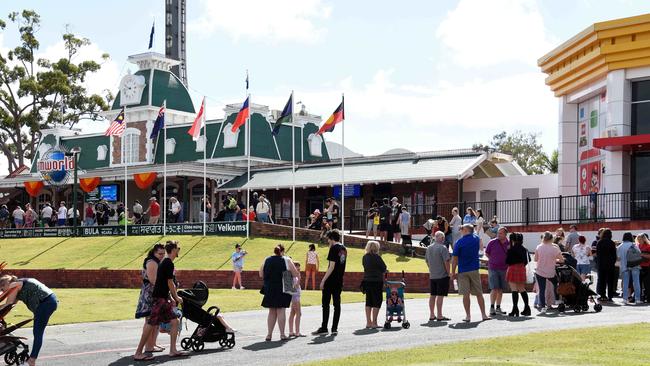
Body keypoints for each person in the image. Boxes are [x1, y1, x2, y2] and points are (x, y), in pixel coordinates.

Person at [134, 241, 186, 360]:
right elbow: (169, 282)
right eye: (177, 248)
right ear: (173, 250)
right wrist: (175, 297)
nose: (179, 250)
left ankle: (172, 350)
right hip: (159, 299)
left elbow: (165, 282)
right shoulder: (168, 263)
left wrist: (170, 297)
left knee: (174, 321)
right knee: (151, 323)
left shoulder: (166, 262)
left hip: (161, 298)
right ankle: (138, 353)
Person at [0, 275, 57, 366]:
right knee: (38, 332)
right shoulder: (17, 285)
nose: (3, 292)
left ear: (6, 284)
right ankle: (32, 359)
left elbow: (8, 303)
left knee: (38, 332)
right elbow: (10, 305)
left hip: (45, 303)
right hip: (48, 302)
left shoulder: (13, 285)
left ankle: (32, 360)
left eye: (2, 289)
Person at [260, 244, 300, 341]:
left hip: (270, 288)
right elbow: (295, 274)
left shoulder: (267, 259)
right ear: (282, 251)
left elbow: (261, 274)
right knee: (281, 310)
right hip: (283, 287)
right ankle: (282, 334)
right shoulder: (287, 259)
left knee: (272, 311)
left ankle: (269, 335)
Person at [451, 224, 490, 322]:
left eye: (462, 229)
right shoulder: (476, 238)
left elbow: (455, 258)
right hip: (474, 269)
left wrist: (453, 272)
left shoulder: (459, 242)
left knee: (466, 294)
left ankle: (468, 316)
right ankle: (484, 315)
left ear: (466, 230)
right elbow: (481, 247)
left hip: (463, 270)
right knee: (479, 293)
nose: (460, 230)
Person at [313, 230, 347, 335]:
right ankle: (334, 328)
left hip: (330, 280)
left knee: (326, 304)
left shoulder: (333, 248)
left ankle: (324, 327)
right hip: (339, 280)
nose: (327, 241)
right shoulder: (344, 249)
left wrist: (323, 280)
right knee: (337, 305)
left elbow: (331, 266)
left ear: (332, 239)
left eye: (328, 239)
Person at [134, 244, 166, 357]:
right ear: (154, 252)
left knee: (155, 321)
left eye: (163, 253)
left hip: (155, 293)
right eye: (160, 254)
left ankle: (152, 345)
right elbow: (153, 280)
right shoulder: (152, 262)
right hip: (150, 294)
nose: (162, 256)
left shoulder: (157, 261)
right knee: (150, 320)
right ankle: (148, 346)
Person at [534, 231, 564, 313]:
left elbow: (535, 259)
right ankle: (557, 299)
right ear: (552, 238)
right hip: (550, 271)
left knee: (542, 289)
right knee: (556, 284)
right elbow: (561, 260)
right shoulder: (555, 248)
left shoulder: (539, 247)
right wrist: (555, 259)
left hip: (540, 271)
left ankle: (543, 307)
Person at [425, 231, 451, 321]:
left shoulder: (429, 248)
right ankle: (439, 315)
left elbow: (427, 261)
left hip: (433, 275)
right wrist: (449, 273)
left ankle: (432, 315)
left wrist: (431, 269)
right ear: (442, 238)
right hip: (442, 275)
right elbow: (446, 262)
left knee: (433, 295)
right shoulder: (443, 248)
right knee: (440, 295)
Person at [361, 240, 387, 328]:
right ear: (376, 248)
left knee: (368, 301)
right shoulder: (377, 257)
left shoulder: (365, 257)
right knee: (377, 301)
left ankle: (368, 322)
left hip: (367, 281)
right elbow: (384, 268)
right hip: (376, 281)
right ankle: (374, 323)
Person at [485, 227, 509, 316]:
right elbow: (487, 253)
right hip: (493, 268)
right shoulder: (492, 242)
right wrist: (492, 260)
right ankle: (492, 307)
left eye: (501, 233)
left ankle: (498, 307)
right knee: (494, 288)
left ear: (505, 234)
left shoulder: (509, 243)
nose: (498, 235)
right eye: (498, 233)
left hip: (504, 268)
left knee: (500, 289)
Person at [505, 232, 531, 317]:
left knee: (514, 289)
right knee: (522, 288)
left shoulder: (511, 249)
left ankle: (515, 309)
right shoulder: (524, 249)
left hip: (513, 268)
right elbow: (528, 260)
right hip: (521, 268)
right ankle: (527, 308)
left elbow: (507, 261)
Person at [617, 232, 642, 305]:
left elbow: (618, 258)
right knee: (636, 282)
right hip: (634, 266)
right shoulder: (634, 245)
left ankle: (625, 299)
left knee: (625, 283)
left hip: (624, 266)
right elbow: (639, 254)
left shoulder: (620, 246)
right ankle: (637, 299)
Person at [596, 228, 617, 301]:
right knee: (610, 280)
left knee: (602, 280)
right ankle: (610, 296)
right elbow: (614, 255)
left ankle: (602, 295)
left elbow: (598, 254)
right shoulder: (612, 243)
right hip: (610, 264)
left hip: (601, 264)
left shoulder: (599, 242)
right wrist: (612, 262)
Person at [288, 262, 304, 337]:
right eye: (297, 267)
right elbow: (295, 286)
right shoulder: (294, 276)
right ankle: (297, 332)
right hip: (295, 296)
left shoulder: (293, 276)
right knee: (298, 313)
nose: (299, 269)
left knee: (292, 313)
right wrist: (299, 278)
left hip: (295, 296)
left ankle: (291, 331)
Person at [636, 233, 650, 303]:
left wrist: (642, 254)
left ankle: (648, 297)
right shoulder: (637, 246)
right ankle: (640, 297)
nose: (639, 240)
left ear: (644, 239)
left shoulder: (648, 246)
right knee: (638, 283)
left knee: (647, 283)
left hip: (647, 267)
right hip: (639, 267)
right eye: (638, 239)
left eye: (640, 239)